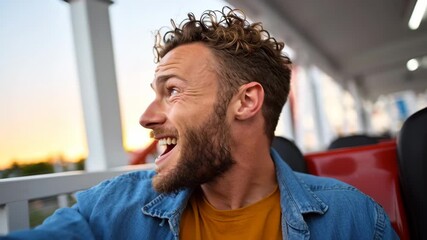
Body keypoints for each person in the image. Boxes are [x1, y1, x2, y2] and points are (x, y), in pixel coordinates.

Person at [1, 7, 398, 240]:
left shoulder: (354, 219)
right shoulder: (111, 211)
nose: (145, 118)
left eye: (171, 91)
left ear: (245, 101)